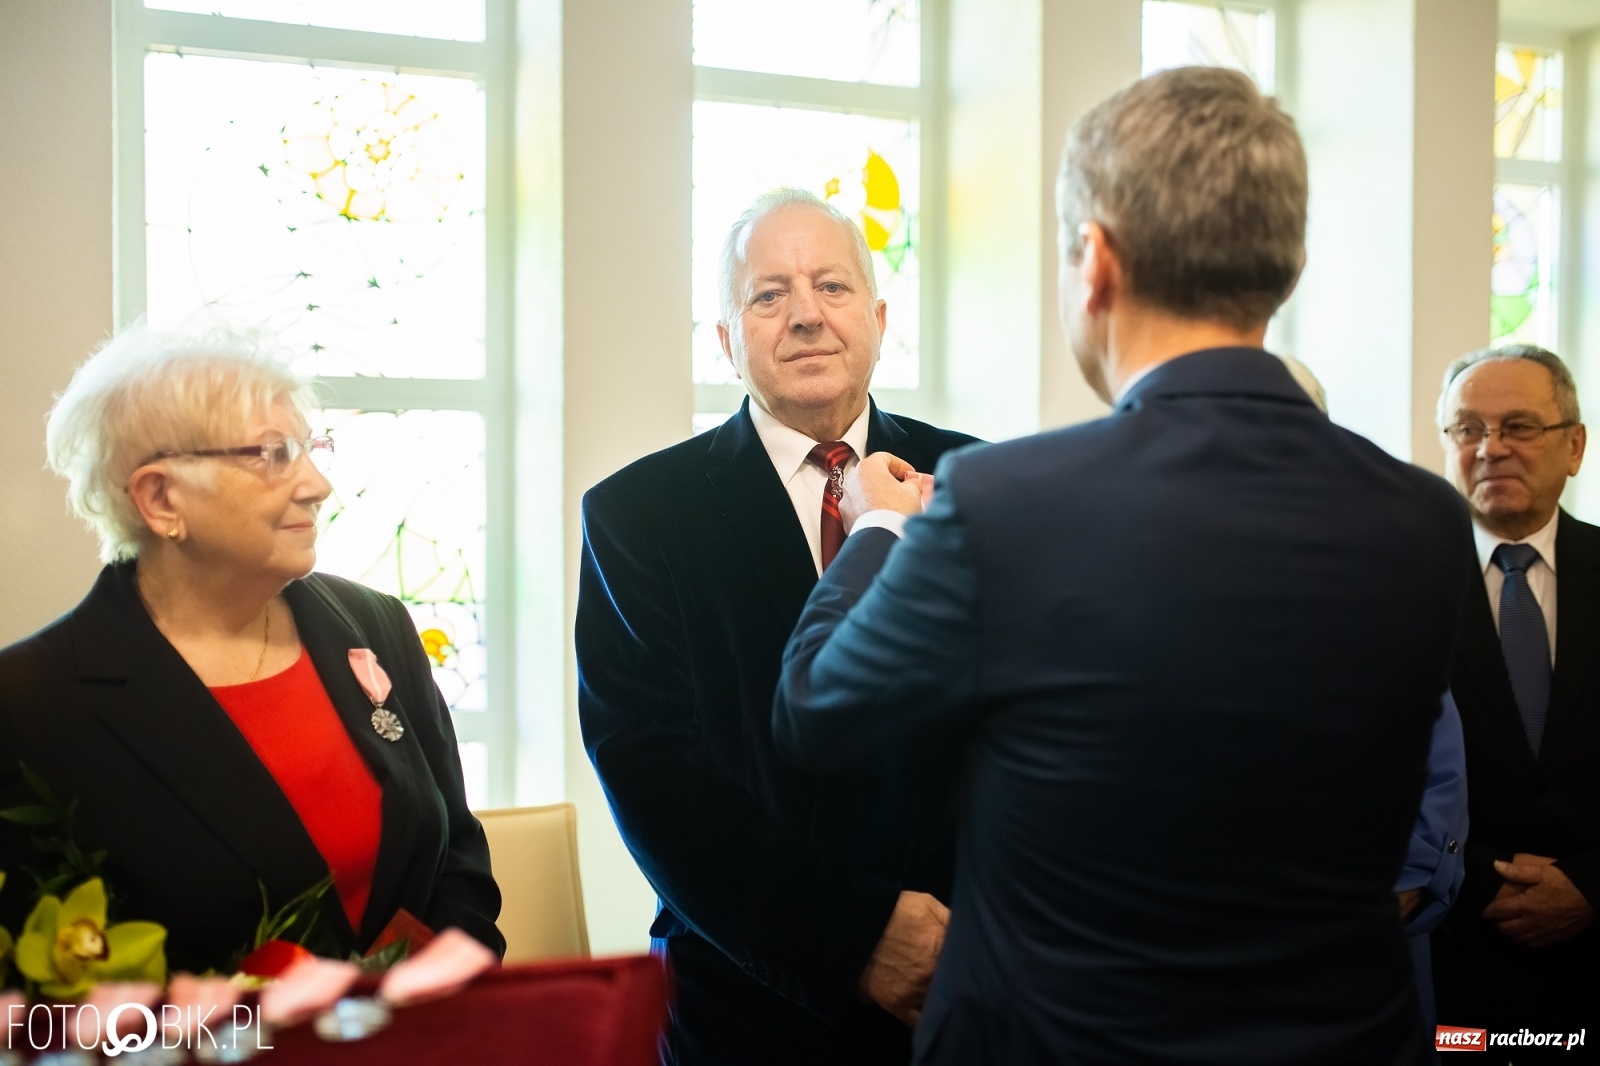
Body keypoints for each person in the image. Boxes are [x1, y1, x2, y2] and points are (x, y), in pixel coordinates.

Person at [773, 67, 1473, 1064]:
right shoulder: (1424, 521)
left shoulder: (1004, 503)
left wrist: (880, 527)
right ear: (1288, 265)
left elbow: (818, 712)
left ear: (1094, 262)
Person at [576, 189, 978, 1064]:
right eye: (769, 295)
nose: (806, 315)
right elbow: (652, 775)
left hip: (964, 988)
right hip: (745, 1002)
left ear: (878, 320)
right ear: (727, 341)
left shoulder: (980, 482)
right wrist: (857, 936)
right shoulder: (638, 516)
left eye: (832, 286)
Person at [0, 327, 503, 974]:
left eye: (310, 449)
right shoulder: (33, 704)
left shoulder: (375, 625)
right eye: (274, 455)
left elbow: (456, 855)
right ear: (160, 498)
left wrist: (431, 986)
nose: (317, 485)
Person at [1282, 354, 1470, 1032]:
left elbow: (1437, 768)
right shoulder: (1143, 575)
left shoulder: (1379, 577)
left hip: (1361, 952)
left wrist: (1394, 889)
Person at [1430, 344, 1598, 1043]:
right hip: (1452, 955)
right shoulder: (1395, 589)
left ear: (1574, 446)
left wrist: (1590, 885)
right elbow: (1369, 767)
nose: (1491, 448)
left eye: (1519, 426)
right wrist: (1478, 883)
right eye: (1468, 428)